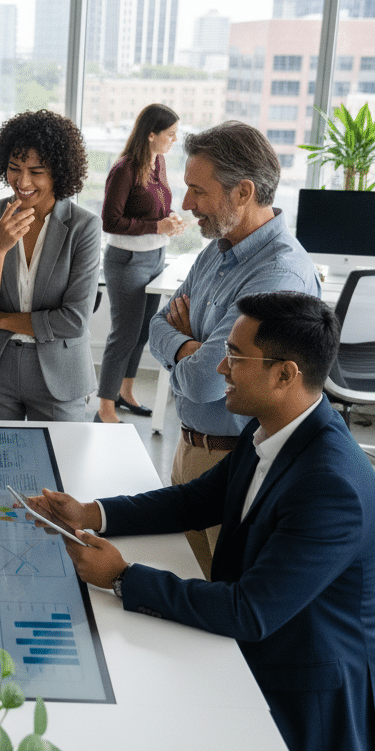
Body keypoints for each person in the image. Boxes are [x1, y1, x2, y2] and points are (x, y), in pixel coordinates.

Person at [26, 292, 375, 751]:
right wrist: (94, 512)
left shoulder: (331, 485)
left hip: (312, 695)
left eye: (236, 356)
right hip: (264, 642)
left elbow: (250, 611)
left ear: (285, 374)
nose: (220, 365)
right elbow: (196, 499)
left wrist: (122, 576)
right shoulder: (275, 427)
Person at [147, 120, 320, 578]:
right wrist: (193, 347)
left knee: (224, 610)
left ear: (242, 192)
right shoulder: (216, 252)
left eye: (197, 191)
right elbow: (156, 327)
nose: (186, 204)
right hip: (189, 452)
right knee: (191, 595)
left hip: (236, 462)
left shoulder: (279, 273)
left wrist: (187, 349)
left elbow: (207, 381)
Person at [0, 109, 100, 421]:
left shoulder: (84, 227)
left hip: (60, 375)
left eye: (36, 172)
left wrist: (2, 320)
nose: (22, 182)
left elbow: (74, 321)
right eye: (14, 169)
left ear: (59, 174)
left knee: (62, 467)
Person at [97, 103, 184, 424]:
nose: (174, 139)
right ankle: (105, 406)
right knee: (124, 334)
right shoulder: (125, 169)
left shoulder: (158, 163)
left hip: (156, 256)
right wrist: (156, 227)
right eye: (170, 134)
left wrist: (169, 221)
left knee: (142, 332)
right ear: (151, 134)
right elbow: (110, 221)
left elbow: (153, 210)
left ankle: (125, 392)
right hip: (127, 260)